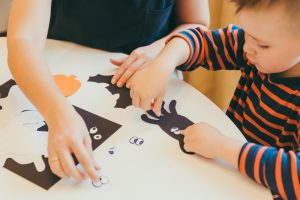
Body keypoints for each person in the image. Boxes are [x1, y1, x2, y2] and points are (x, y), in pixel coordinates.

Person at [6, 0, 210, 182]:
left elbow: (197, 24)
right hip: (54, 74)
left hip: (142, 83)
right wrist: (58, 114)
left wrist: (159, 50)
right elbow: (24, 39)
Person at [129, 0, 300, 199]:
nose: (246, 48)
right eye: (246, 34)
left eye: (262, 44)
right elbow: (202, 42)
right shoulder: (255, 48)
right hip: (231, 177)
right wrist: (163, 64)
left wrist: (222, 146)